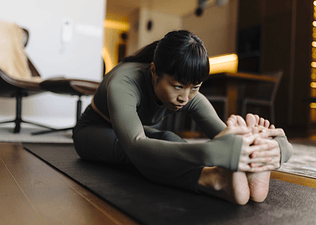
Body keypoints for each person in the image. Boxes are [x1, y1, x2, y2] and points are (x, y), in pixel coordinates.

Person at [72, 30, 292, 205]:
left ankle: (235, 176)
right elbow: (136, 145)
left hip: (133, 130)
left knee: (168, 138)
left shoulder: (189, 94)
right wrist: (209, 152)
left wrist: (270, 147)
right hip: (92, 132)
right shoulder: (124, 82)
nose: (185, 97)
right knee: (139, 152)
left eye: (195, 87)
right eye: (177, 87)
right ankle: (211, 180)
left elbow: (223, 135)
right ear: (154, 71)